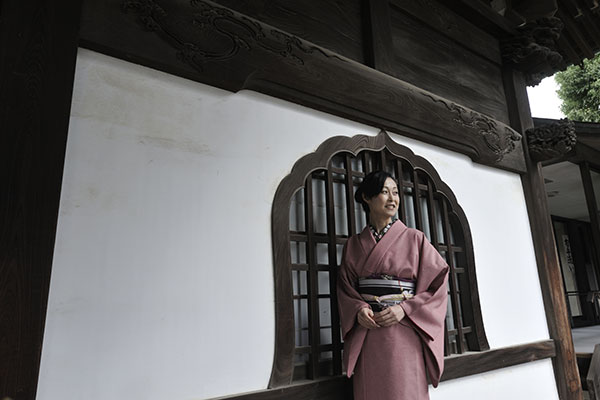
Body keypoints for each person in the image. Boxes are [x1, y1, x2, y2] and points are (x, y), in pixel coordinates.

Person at [337, 170, 449, 400]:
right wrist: (359, 309)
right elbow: (346, 288)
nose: (392, 198)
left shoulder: (415, 238)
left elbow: (437, 284)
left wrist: (404, 309)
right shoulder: (354, 245)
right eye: (384, 192)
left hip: (404, 330)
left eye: (396, 193)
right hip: (369, 332)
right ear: (366, 197)